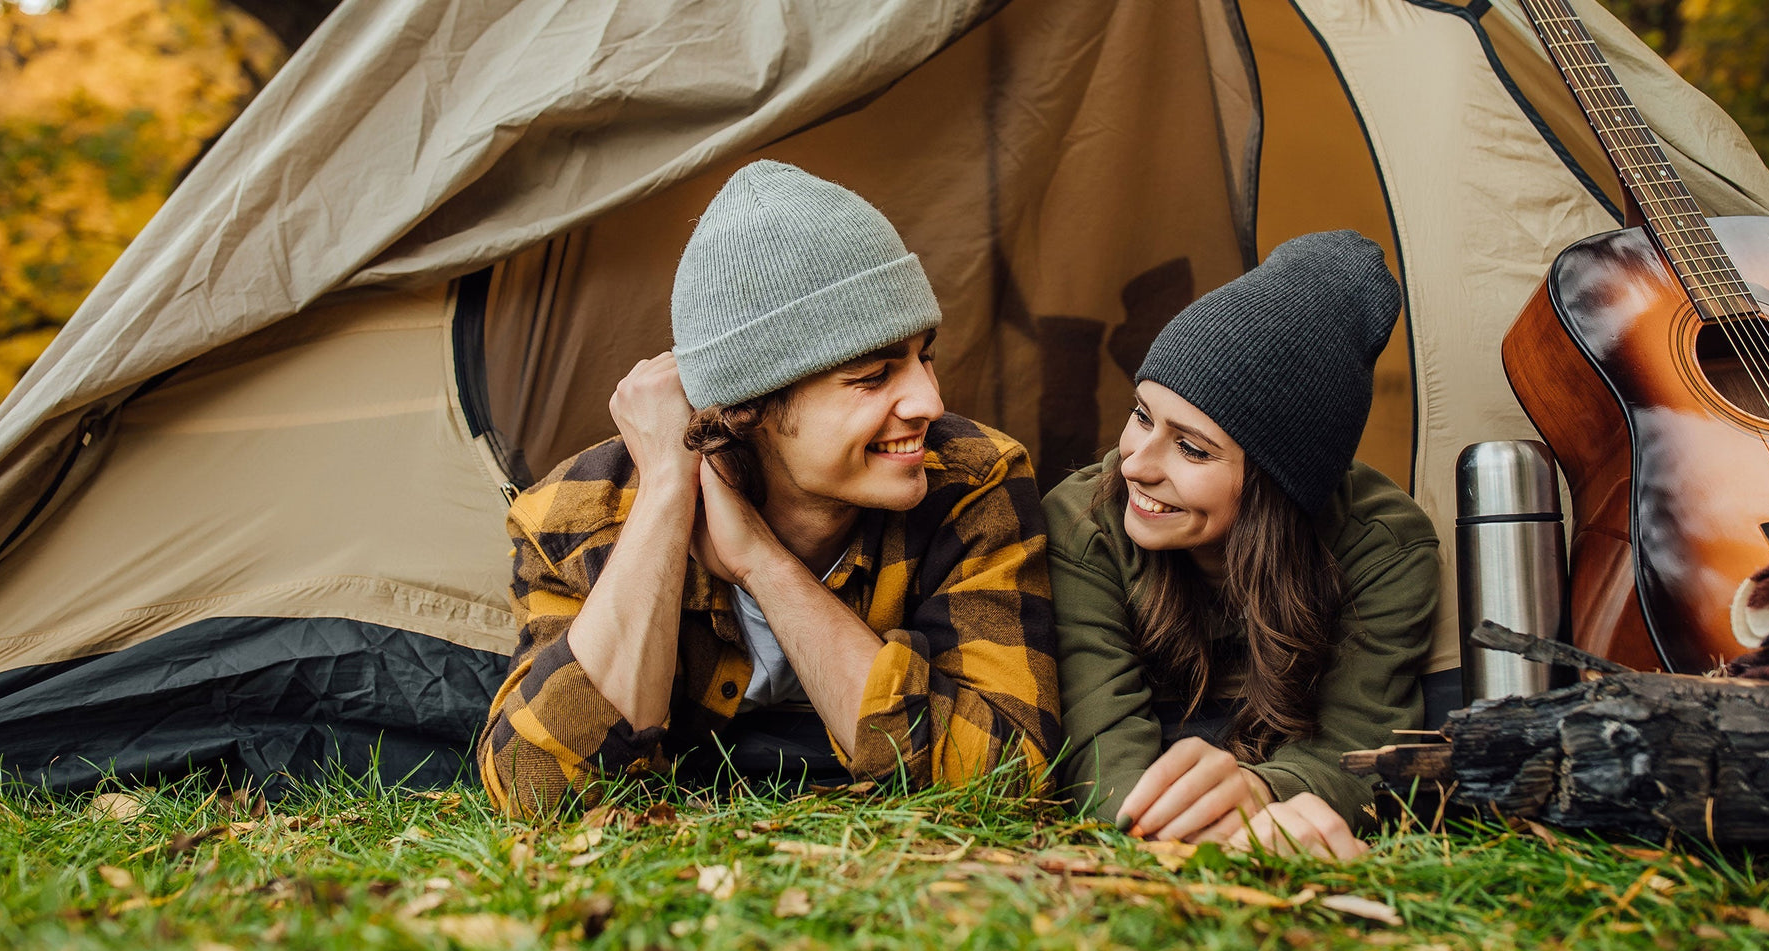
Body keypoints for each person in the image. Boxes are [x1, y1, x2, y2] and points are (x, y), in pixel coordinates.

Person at [477, 161, 1060, 816]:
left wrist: (764, 565)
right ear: (748, 408)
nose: (930, 400)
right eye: (873, 375)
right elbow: (536, 791)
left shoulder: (972, 481)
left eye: (925, 355)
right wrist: (668, 491)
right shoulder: (575, 513)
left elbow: (1008, 779)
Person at [1047, 231, 1438, 859]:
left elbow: (1359, 748)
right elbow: (1102, 756)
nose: (1135, 465)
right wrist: (1171, 826)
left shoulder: (1383, 546)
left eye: (1191, 448)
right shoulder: (1083, 521)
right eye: (1142, 415)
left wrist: (1261, 794)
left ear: (1275, 483)